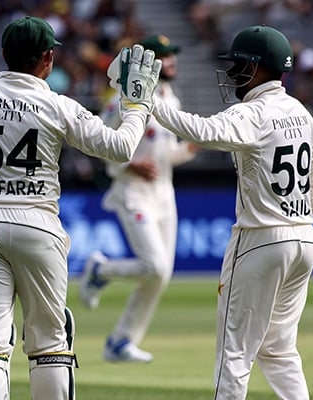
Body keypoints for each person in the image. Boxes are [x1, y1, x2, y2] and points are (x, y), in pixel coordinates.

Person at [0, 16, 160, 400]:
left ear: (3, 54)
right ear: (48, 57)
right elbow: (120, 148)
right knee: (48, 345)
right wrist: (136, 105)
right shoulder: (58, 105)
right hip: (38, 227)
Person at [121, 25, 313, 399]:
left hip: (260, 240)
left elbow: (199, 129)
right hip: (304, 237)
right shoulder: (300, 111)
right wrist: (291, 217)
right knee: (280, 350)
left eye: (239, 65)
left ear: (259, 67)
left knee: (234, 354)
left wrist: (147, 99)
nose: (233, 72)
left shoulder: (253, 114)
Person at [79, 34, 198, 363]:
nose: (172, 61)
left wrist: (185, 152)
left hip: (164, 196)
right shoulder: (121, 101)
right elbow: (100, 145)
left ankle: (120, 341)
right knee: (154, 265)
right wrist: (130, 165)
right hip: (132, 194)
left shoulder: (169, 100)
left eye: (173, 55)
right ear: (150, 63)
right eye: (165, 56)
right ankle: (100, 270)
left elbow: (162, 157)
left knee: (161, 274)